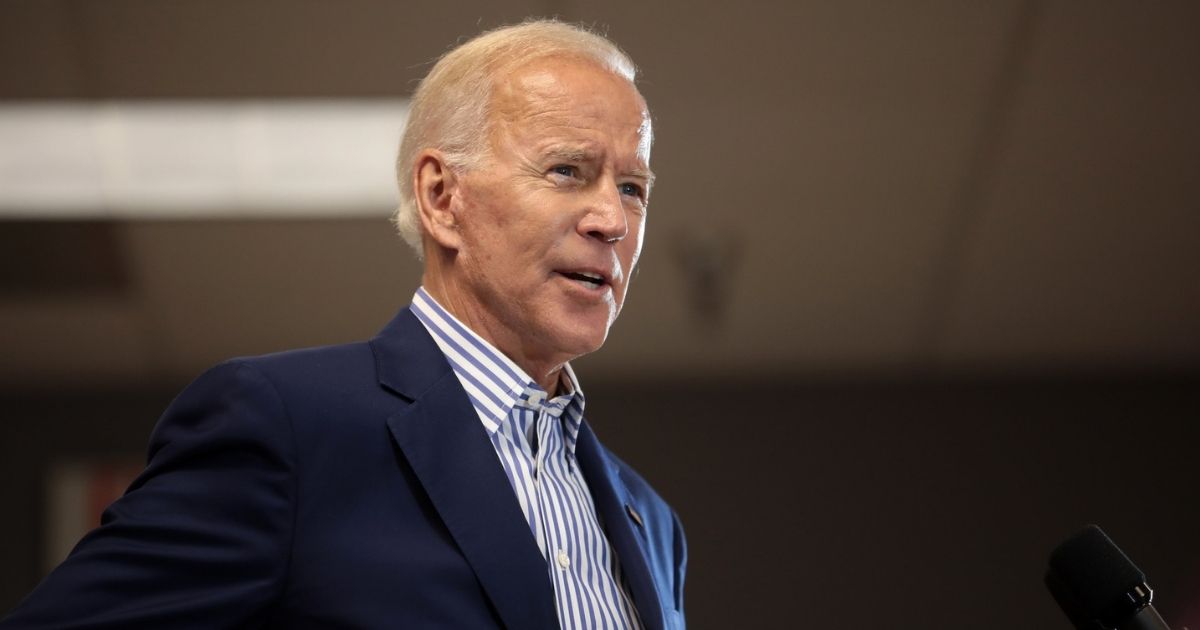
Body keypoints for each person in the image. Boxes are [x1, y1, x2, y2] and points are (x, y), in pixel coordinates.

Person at [0, 19, 686, 630]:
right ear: (442, 198)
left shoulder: (651, 522)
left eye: (632, 187)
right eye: (568, 171)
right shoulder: (286, 427)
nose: (613, 221)